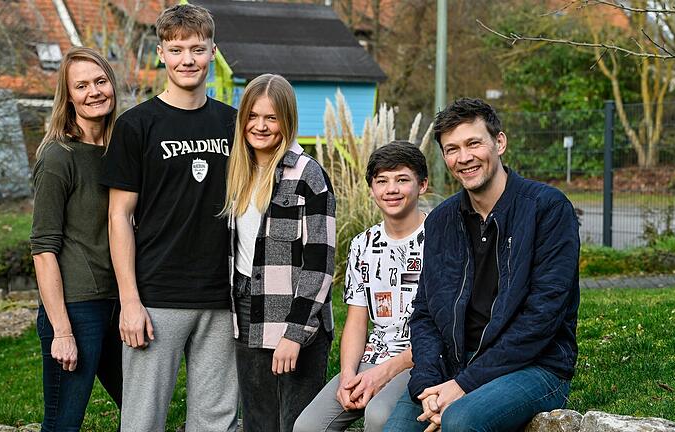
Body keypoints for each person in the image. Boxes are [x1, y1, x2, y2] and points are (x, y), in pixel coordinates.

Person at [384, 98, 580, 432]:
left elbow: (542, 317)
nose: (464, 158)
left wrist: (463, 386)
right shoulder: (442, 220)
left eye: (473, 143)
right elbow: (425, 313)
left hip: (535, 366)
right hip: (452, 367)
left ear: (499, 143)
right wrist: (428, 386)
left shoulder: (547, 209)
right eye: (451, 149)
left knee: (461, 421)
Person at [101, 5, 238, 432]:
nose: (188, 60)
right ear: (161, 53)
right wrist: (129, 301)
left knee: (216, 421)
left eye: (198, 49)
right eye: (177, 50)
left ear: (212, 51)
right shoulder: (137, 125)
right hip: (156, 295)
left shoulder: (233, 124)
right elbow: (119, 216)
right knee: (142, 420)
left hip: (222, 296)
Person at [222, 73, 336, 432]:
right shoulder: (237, 169)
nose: (260, 126)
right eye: (253, 116)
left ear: (286, 120)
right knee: (257, 421)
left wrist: (294, 333)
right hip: (247, 308)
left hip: (296, 313)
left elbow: (320, 264)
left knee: (296, 424)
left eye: (270, 118)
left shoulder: (308, 175)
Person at [294, 141, 429, 432]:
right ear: (371, 189)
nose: (391, 189)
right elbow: (356, 321)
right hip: (374, 357)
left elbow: (445, 329)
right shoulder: (362, 244)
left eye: (402, 180)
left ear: (423, 185)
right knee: (308, 426)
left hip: (419, 360)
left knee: (380, 417)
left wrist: (382, 375)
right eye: (382, 181)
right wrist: (346, 376)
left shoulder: (440, 240)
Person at [30, 46, 122, 432]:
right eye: (81, 86)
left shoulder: (123, 150)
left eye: (100, 81)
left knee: (141, 411)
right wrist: (62, 331)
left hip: (121, 305)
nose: (94, 91)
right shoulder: (58, 156)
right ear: (68, 97)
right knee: (64, 423)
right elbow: (43, 248)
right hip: (76, 309)